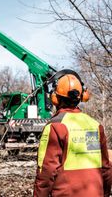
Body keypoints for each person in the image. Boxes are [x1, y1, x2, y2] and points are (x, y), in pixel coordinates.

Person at [34, 69, 112, 197]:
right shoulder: (95, 126)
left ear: (55, 98)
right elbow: (106, 168)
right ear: (82, 97)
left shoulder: (55, 126)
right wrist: (105, 193)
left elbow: (46, 173)